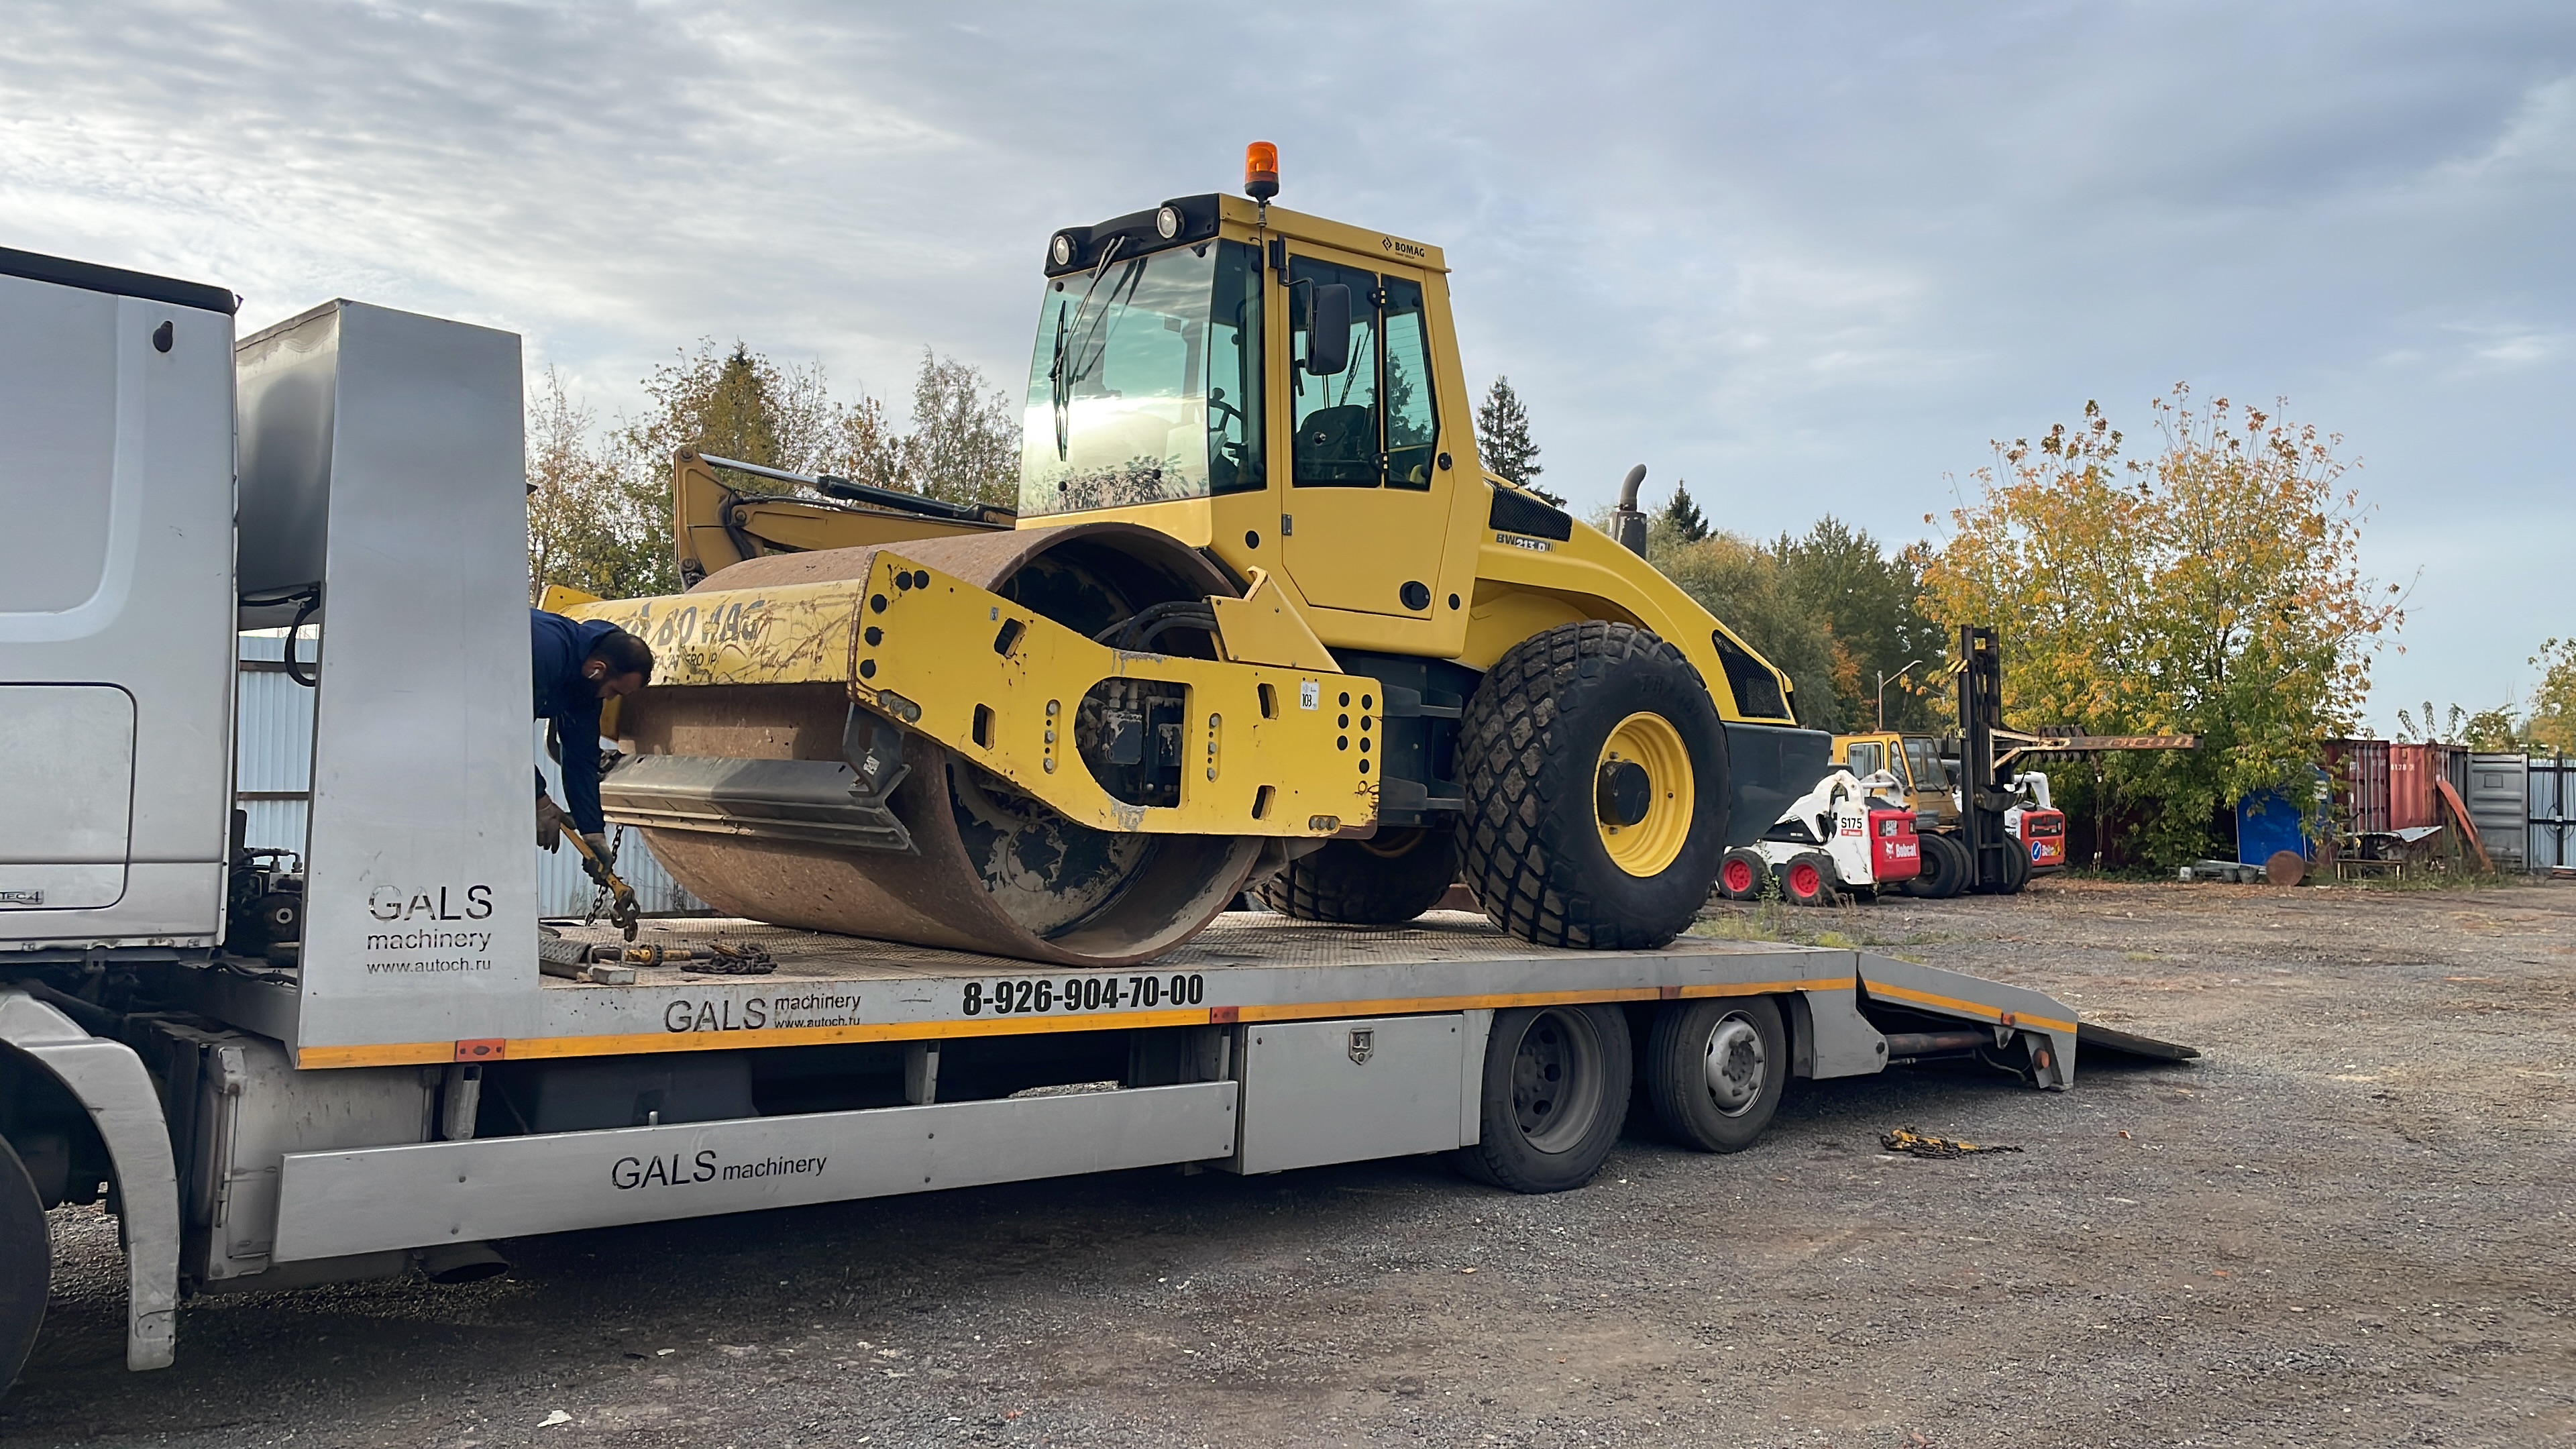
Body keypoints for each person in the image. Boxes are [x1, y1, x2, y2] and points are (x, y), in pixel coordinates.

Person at [531, 608, 654, 865]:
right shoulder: (543, 650)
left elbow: (581, 757)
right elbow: (500, 734)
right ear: (598, 669)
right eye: (614, 690)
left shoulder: (585, 686)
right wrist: (540, 799)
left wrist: (593, 834)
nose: (610, 698)